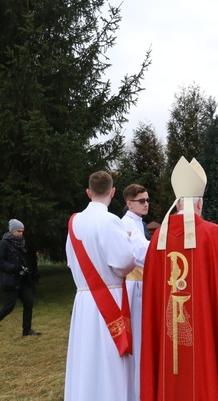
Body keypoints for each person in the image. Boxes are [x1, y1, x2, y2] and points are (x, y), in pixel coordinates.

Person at [141, 157, 218, 401]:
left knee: (171, 361)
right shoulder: (212, 234)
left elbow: (152, 288)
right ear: (199, 204)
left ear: (177, 203)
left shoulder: (157, 237)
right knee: (204, 354)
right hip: (203, 326)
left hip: (168, 327)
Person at [64, 171, 137, 400]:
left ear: (88, 192)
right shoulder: (109, 220)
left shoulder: (74, 222)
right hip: (109, 296)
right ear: (112, 192)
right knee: (109, 358)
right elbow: (124, 262)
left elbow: (70, 260)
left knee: (86, 355)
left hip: (84, 299)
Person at [0, 219, 40, 342]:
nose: (21, 233)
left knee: (28, 301)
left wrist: (28, 272)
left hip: (21, 280)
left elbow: (20, 260)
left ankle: (27, 330)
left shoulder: (20, 243)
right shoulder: (3, 244)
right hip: (9, 281)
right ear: (12, 231)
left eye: (22, 231)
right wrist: (13, 268)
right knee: (8, 307)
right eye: (19, 231)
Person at [121, 184, 151, 400]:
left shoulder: (139, 223)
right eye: (141, 201)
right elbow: (143, 253)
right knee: (138, 334)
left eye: (147, 200)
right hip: (134, 286)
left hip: (142, 282)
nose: (146, 204)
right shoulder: (126, 224)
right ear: (129, 203)